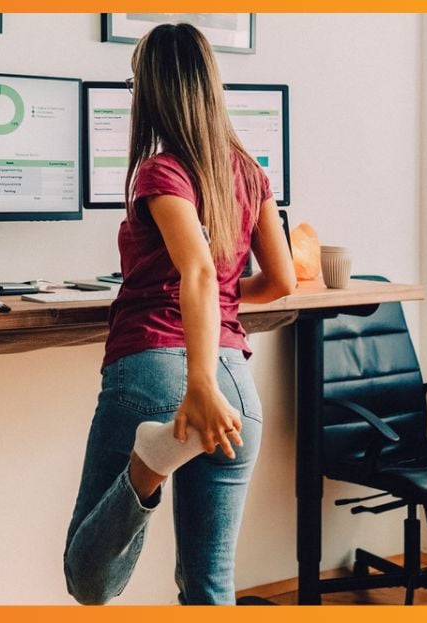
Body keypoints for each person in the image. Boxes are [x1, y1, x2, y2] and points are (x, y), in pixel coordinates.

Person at [62, 23, 297, 605]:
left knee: (87, 580)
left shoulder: (160, 171)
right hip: (238, 393)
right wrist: (221, 309)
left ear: (151, 93)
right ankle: (160, 450)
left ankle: (149, 464)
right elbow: (282, 281)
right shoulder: (250, 171)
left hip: (160, 372)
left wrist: (197, 385)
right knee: (210, 583)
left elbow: (194, 271)